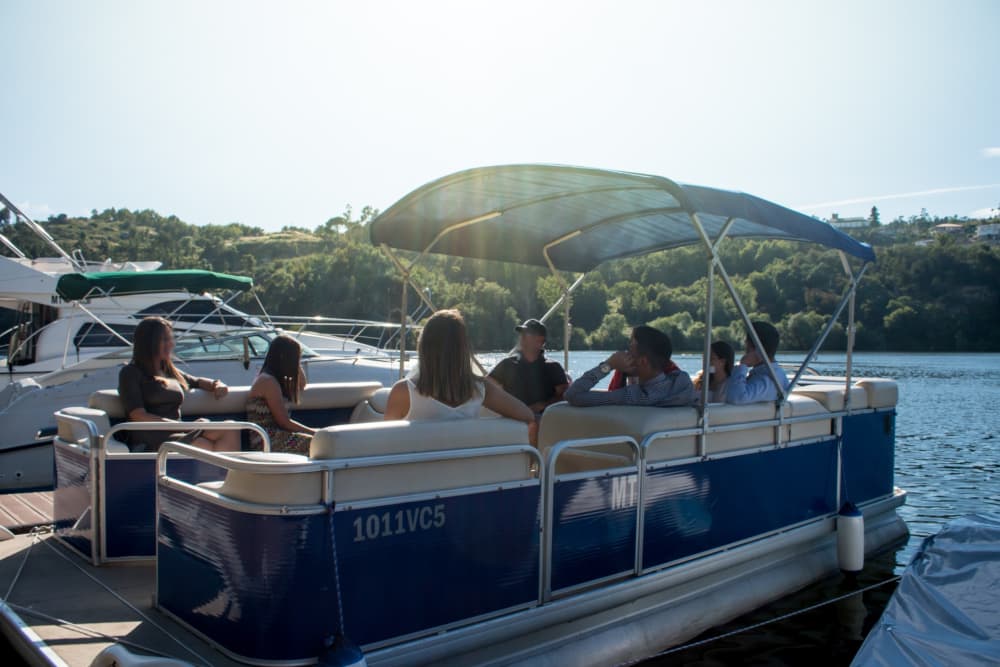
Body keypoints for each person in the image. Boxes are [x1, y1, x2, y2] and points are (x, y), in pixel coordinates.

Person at [383, 309, 538, 445]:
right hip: (470, 476)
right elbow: (527, 416)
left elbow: (385, 445)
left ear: (423, 346)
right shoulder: (480, 389)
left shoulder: (403, 392)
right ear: (463, 350)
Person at [117, 317, 239, 452]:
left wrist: (217, 384)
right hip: (151, 439)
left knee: (230, 428)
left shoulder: (167, 371)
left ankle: (227, 473)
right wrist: (186, 426)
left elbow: (197, 382)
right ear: (148, 343)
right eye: (164, 340)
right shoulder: (130, 372)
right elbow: (138, 415)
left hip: (178, 433)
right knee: (203, 445)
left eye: (170, 339)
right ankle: (226, 472)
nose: (171, 344)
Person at [564, 325, 697, 407]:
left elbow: (573, 394)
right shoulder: (683, 383)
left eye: (630, 346)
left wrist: (609, 365)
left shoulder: (633, 396)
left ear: (643, 361)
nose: (625, 352)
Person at [246, 335, 316, 454]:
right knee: (319, 443)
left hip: (278, 434)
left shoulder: (274, 378)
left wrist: (295, 364)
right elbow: (283, 422)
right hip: (265, 439)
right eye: (295, 358)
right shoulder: (267, 381)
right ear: (284, 357)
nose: (296, 362)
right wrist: (315, 433)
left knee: (323, 442)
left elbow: (302, 384)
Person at [487, 318, 568, 416]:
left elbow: (565, 396)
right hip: (512, 420)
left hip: (542, 421)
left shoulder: (553, 367)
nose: (522, 337)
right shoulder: (507, 364)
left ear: (540, 340)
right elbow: (485, 387)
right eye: (521, 334)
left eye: (526, 334)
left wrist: (543, 405)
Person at [727, 321, 789, 404]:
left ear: (752, 348)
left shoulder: (768, 379)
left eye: (747, 343)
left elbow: (736, 397)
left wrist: (742, 365)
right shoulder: (773, 374)